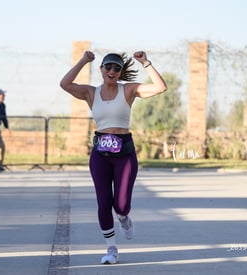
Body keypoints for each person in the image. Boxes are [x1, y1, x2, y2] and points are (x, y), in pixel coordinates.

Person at [60, 51, 167, 264]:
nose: (112, 71)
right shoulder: (91, 93)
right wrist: (83, 61)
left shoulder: (128, 90)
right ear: (101, 69)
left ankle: (124, 218)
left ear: (120, 72)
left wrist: (145, 63)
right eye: (108, 67)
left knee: (121, 205)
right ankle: (111, 249)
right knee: (103, 202)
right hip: (100, 153)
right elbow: (65, 84)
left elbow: (160, 87)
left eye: (117, 68)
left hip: (124, 152)